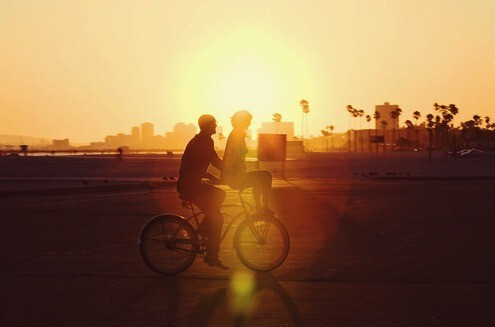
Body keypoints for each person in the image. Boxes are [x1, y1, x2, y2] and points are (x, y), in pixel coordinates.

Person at [177, 114, 228, 270]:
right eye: (214, 123)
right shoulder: (204, 141)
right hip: (191, 187)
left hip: (190, 184)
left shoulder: (200, 140)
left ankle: (204, 229)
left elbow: (198, 167)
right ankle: (212, 255)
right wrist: (229, 173)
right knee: (218, 219)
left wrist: (215, 178)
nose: (215, 126)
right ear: (207, 126)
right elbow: (215, 161)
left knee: (220, 195)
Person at [222, 110, 274, 215]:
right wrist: (231, 174)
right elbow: (230, 158)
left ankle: (260, 207)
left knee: (261, 178)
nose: (250, 123)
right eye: (248, 120)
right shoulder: (236, 135)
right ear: (242, 121)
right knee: (266, 176)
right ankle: (262, 207)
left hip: (237, 175)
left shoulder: (237, 134)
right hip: (237, 177)